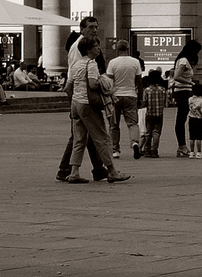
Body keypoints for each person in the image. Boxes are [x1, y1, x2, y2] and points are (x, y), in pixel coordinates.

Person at [63, 36, 126, 183]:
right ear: (89, 49)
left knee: (79, 140)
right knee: (102, 138)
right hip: (88, 105)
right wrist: (103, 82)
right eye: (96, 46)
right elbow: (92, 84)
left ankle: (74, 172)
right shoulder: (91, 64)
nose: (99, 48)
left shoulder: (75, 64)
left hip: (76, 104)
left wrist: (75, 98)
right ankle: (111, 171)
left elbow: (68, 87)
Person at [106, 39, 144, 158]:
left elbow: (109, 81)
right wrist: (140, 98)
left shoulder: (112, 63)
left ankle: (115, 149)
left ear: (117, 49)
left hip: (115, 96)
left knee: (114, 124)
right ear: (128, 48)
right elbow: (139, 82)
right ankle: (135, 142)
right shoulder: (135, 62)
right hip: (131, 94)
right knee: (132, 123)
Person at [169, 39, 200, 158]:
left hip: (184, 91)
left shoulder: (184, 60)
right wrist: (190, 83)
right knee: (181, 119)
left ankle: (182, 146)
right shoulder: (183, 61)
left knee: (182, 118)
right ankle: (181, 146)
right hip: (182, 91)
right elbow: (177, 76)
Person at [139, 71, 170, 157]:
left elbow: (144, 103)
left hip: (149, 114)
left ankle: (147, 150)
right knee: (156, 132)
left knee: (148, 132)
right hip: (159, 114)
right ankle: (154, 150)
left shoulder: (147, 90)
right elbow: (166, 103)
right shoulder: (162, 90)